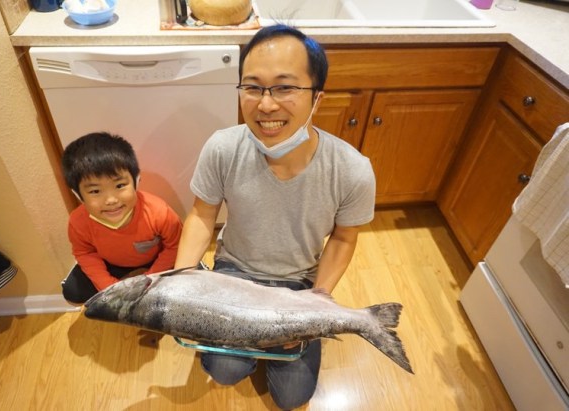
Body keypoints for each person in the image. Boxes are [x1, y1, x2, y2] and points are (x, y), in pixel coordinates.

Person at [174, 25, 376, 410]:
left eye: (284, 87)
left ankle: (262, 347)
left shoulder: (352, 170)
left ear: (317, 97)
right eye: (253, 87)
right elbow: (202, 214)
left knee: (291, 398)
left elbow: (344, 238)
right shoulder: (223, 148)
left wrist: (317, 302)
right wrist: (181, 283)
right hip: (234, 273)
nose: (266, 105)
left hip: (299, 282)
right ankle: (247, 351)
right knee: (225, 370)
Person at [61, 132, 182, 304]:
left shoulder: (159, 211)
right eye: (95, 191)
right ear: (78, 195)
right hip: (111, 263)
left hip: (156, 259)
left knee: (190, 277)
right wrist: (111, 287)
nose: (111, 200)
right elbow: (85, 253)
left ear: (136, 181)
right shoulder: (78, 222)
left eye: (120, 185)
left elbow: (174, 246)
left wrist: (149, 281)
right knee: (73, 291)